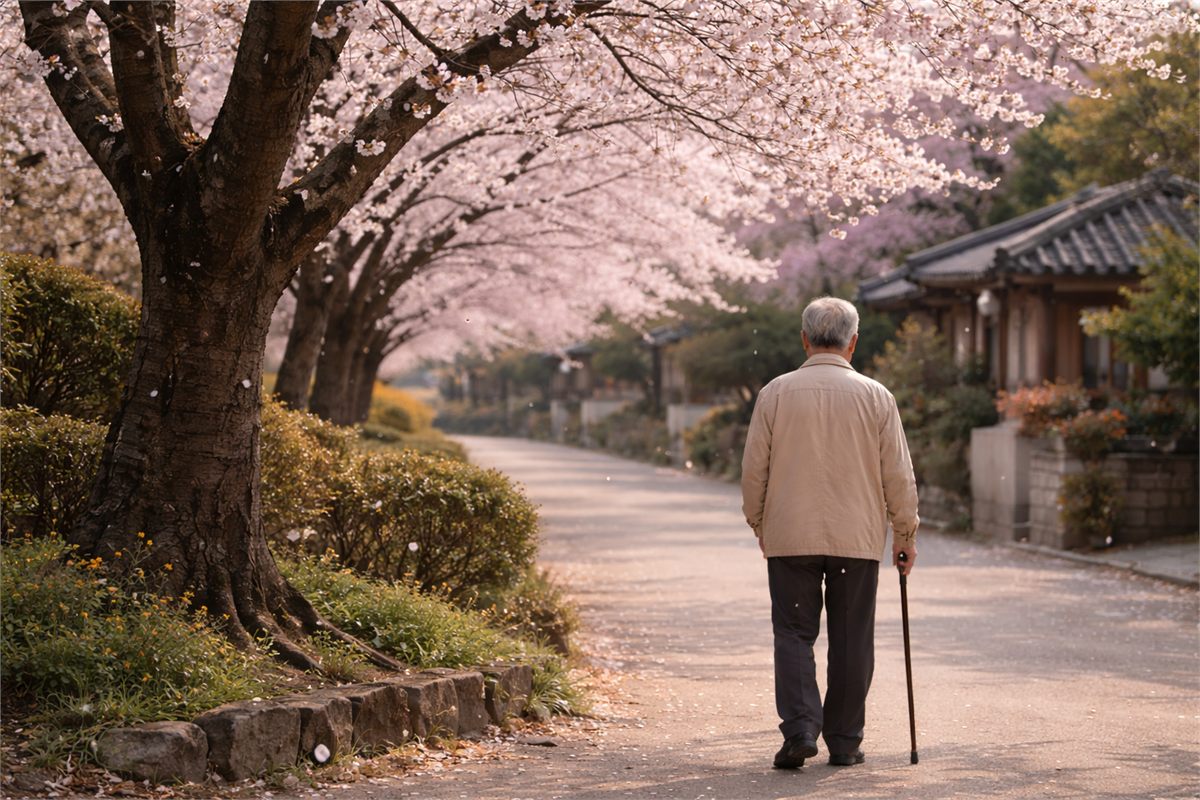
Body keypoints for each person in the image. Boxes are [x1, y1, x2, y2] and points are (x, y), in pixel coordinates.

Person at [740, 296, 919, 770]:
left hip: (790, 535)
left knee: (794, 633)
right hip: (856, 538)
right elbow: (898, 474)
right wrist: (904, 532)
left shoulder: (775, 393)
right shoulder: (877, 396)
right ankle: (844, 741)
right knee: (851, 637)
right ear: (853, 342)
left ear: (804, 339)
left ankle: (800, 728)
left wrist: (760, 522)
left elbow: (753, 470)